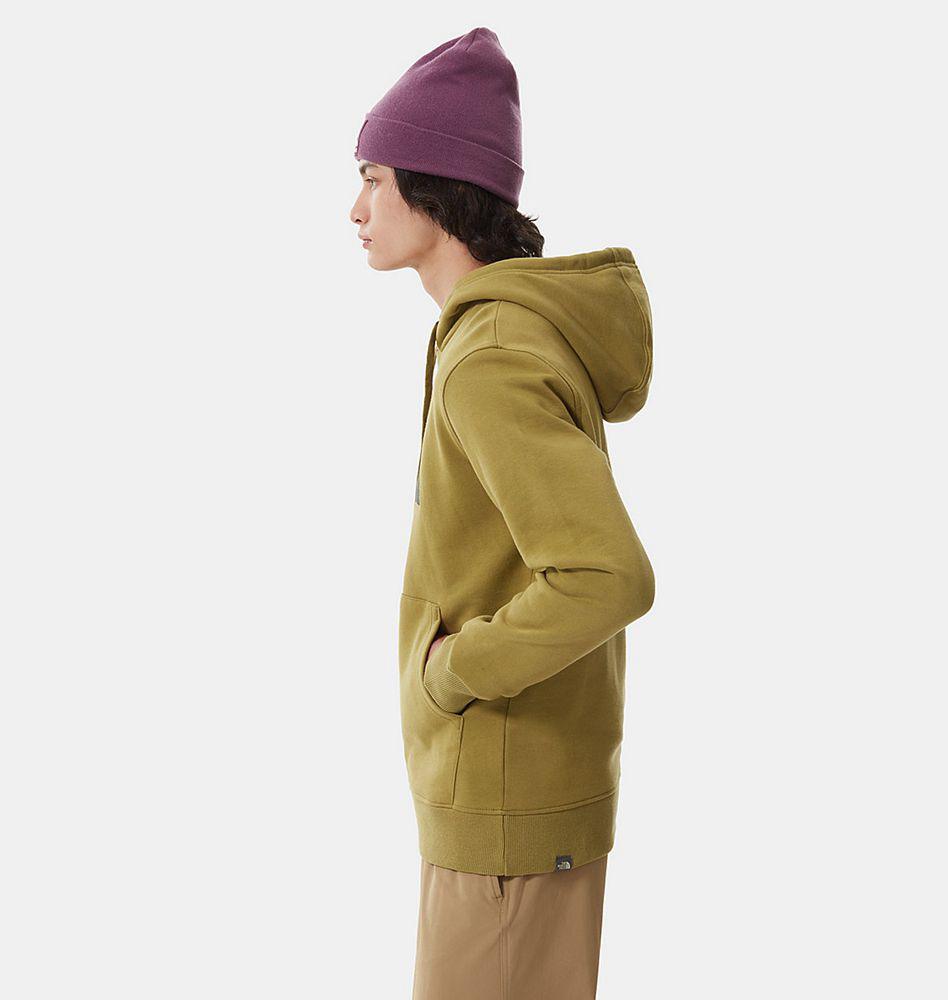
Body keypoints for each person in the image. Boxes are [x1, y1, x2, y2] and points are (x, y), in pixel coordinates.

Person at [349, 26, 655, 1000]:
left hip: (505, 823)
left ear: (434, 191)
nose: (356, 208)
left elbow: (607, 575)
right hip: (510, 807)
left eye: (374, 178)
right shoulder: (498, 337)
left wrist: (451, 672)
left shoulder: (490, 358)